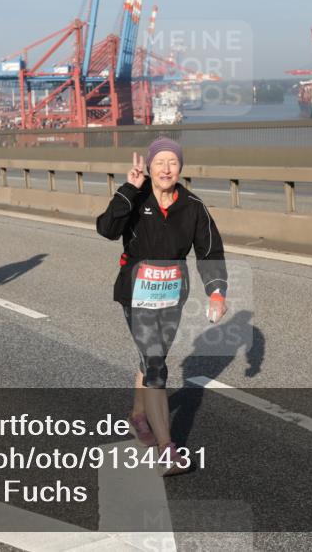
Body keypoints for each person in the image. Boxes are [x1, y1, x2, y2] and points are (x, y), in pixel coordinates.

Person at [96, 136, 227, 477]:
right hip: (136, 292)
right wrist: (128, 188)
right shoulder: (135, 198)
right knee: (155, 364)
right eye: (159, 162)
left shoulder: (193, 207)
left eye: (172, 162)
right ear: (149, 167)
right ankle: (168, 450)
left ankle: (139, 415)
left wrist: (216, 292)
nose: (166, 169)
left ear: (180, 167)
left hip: (172, 295)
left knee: (152, 358)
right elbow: (106, 229)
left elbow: (209, 251)